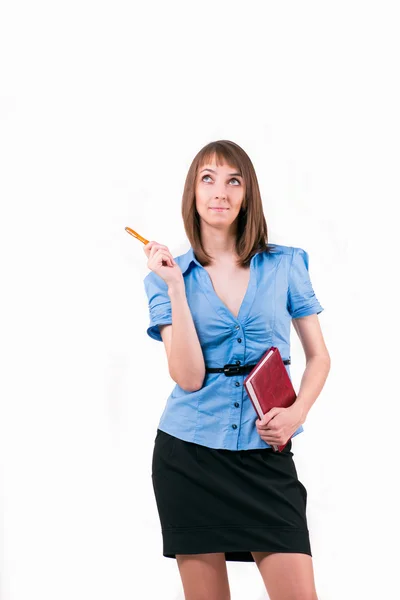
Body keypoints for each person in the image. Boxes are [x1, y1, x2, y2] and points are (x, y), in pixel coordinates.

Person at [142, 140, 331, 600]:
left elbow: (319, 357)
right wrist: (176, 289)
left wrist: (297, 413)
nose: (219, 191)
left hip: (266, 453)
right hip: (189, 456)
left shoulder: (286, 263)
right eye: (207, 179)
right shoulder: (166, 276)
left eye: (233, 180)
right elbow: (187, 377)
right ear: (192, 192)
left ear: (248, 194)